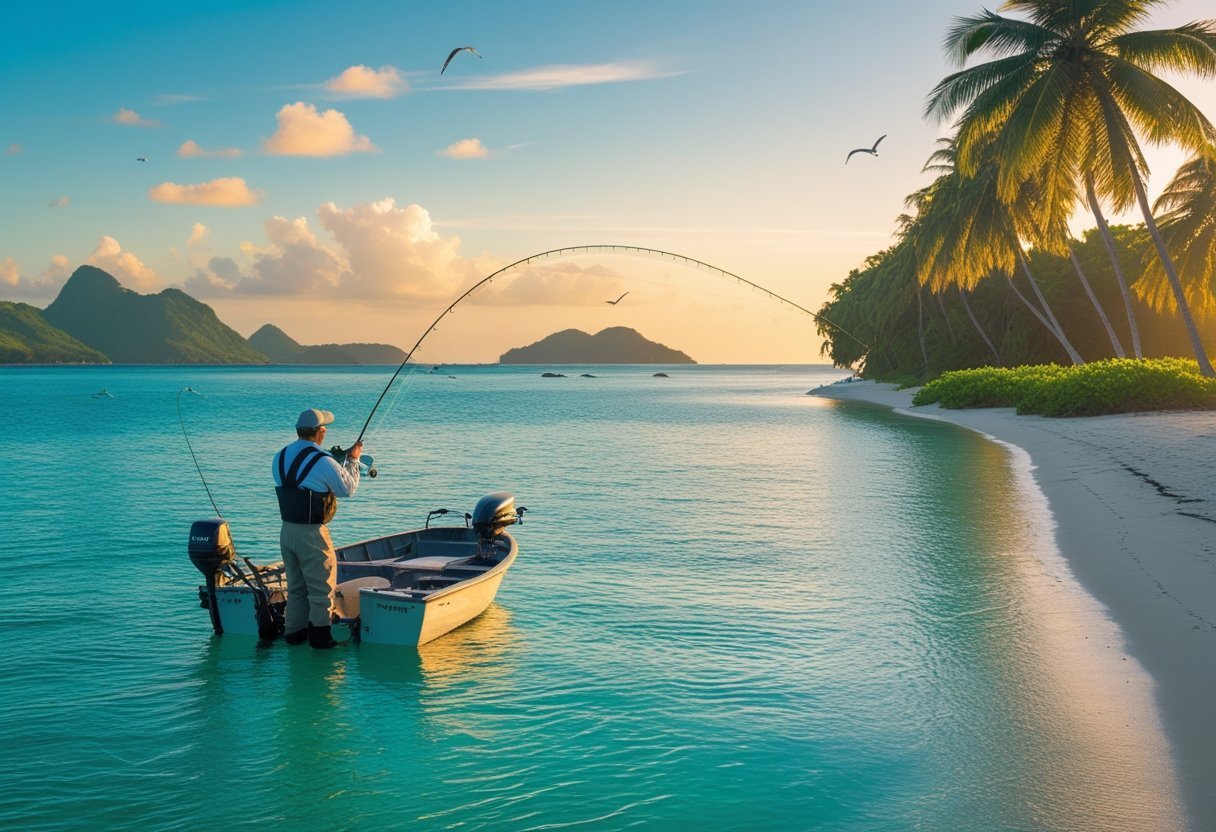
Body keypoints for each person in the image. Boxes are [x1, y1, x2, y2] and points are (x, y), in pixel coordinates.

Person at [272, 408, 362, 649]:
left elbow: (303, 483)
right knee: (322, 587)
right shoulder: (322, 460)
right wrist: (353, 461)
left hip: (286, 531)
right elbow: (347, 489)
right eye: (325, 430)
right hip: (311, 532)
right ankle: (321, 639)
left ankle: (294, 634)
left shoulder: (279, 457)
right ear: (321, 432)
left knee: (296, 587)